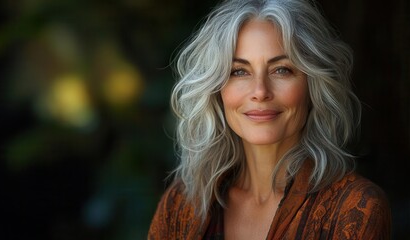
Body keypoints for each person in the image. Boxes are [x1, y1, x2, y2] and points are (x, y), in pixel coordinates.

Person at [148, 0, 391, 239]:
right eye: (239, 71)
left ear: (312, 85)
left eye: (281, 70)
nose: (260, 91)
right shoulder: (180, 205)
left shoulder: (356, 210)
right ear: (216, 91)